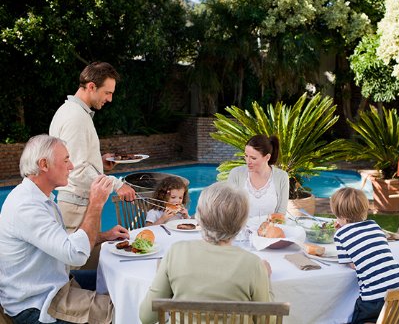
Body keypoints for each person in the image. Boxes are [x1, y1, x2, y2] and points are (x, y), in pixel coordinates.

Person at [0, 134, 130, 324]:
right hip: (37, 304)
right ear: (44, 164)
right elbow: (75, 254)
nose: (72, 166)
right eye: (66, 160)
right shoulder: (26, 207)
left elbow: (60, 243)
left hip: (55, 285)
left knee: (117, 282)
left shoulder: (37, 198)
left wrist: (103, 236)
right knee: (122, 311)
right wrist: (95, 204)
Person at [139, 181, 273, 324]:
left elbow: (147, 317)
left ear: (199, 217)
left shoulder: (175, 252)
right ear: (242, 223)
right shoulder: (253, 264)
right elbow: (267, 321)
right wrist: (266, 279)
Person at [49, 61, 135, 235]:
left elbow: (75, 160)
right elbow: (77, 170)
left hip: (79, 204)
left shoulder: (73, 112)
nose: (110, 99)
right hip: (76, 207)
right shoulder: (76, 117)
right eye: (107, 93)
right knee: (78, 262)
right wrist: (117, 185)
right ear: (91, 86)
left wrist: (100, 162)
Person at [330, 187, 399, 324]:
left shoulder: (340, 234)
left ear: (339, 215)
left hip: (374, 297)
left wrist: (340, 232)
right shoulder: (374, 226)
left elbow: (352, 264)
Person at [228, 134, 289, 218]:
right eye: (246, 156)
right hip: (240, 229)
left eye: (253, 158)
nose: (248, 161)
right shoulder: (236, 174)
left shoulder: (282, 177)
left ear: (267, 157)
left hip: (270, 228)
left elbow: (281, 214)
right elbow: (229, 209)